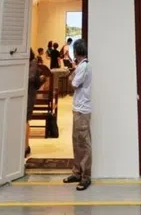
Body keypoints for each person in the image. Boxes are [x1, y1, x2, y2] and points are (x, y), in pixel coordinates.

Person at [64, 39, 91, 190]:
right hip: (78, 108)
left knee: (84, 143)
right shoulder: (81, 66)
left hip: (82, 110)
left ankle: (85, 176)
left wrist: (72, 76)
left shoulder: (84, 67)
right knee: (76, 141)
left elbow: (73, 84)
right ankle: (76, 172)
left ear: (76, 52)